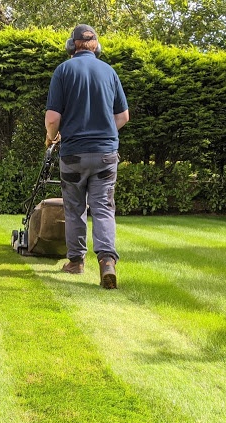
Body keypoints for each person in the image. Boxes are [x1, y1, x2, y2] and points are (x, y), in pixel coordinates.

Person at [45, 24, 129, 289]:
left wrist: (52, 137)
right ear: (97, 47)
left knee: (74, 209)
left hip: (73, 155)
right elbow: (123, 117)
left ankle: (76, 262)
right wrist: (103, 132)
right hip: (105, 154)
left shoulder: (63, 70)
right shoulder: (110, 72)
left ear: (72, 46)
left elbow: (52, 118)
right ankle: (106, 262)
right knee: (103, 208)